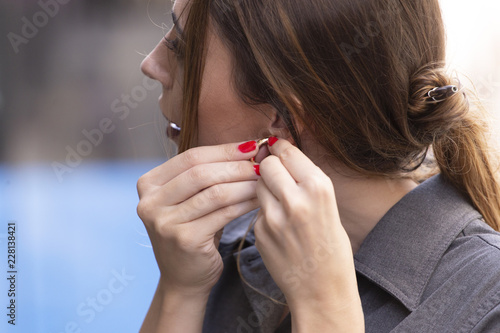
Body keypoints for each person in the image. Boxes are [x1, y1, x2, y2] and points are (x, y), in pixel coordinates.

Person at [136, 0, 500, 332]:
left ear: (281, 118)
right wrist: (179, 291)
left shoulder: (486, 306)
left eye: (182, 50)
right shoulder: (220, 249)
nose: (151, 65)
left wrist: (323, 310)